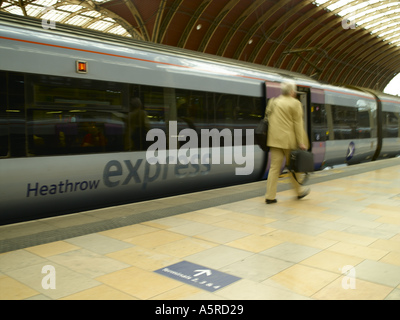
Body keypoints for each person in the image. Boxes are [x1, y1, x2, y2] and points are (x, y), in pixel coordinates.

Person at [265, 80, 310, 204]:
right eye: (294, 91)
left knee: (274, 168)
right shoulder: (295, 103)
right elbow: (298, 124)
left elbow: (268, 119)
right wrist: (301, 142)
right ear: (291, 91)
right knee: (294, 167)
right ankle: (299, 192)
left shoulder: (273, 102)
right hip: (289, 141)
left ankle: (270, 196)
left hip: (274, 140)